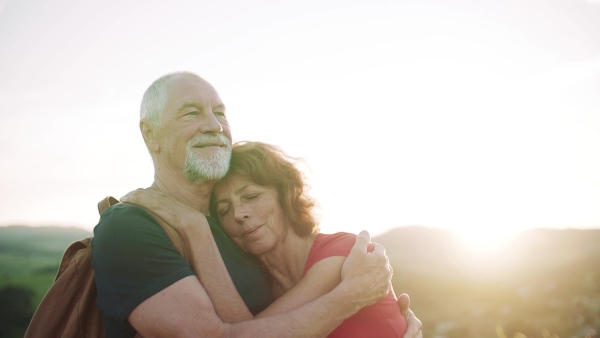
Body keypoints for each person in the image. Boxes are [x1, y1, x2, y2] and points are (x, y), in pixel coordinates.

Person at [92, 71, 423, 337]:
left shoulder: (240, 237)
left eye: (220, 112)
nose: (214, 125)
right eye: (191, 113)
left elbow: (254, 322)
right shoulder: (130, 226)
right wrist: (351, 297)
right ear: (151, 135)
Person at [121, 141, 410, 337]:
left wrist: (195, 228)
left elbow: (243, 332)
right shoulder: (258, 286)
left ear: (285, 195)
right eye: (224, 210)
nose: (240, 214)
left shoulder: (346, 254)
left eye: (252, 196)